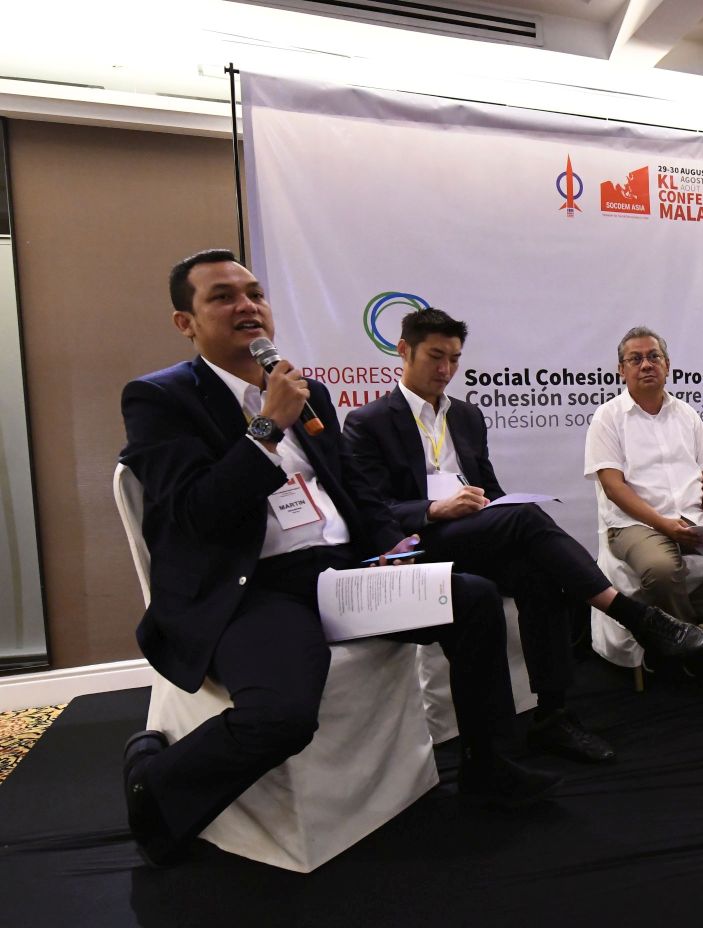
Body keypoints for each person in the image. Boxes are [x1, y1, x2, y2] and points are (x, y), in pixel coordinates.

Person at [119, 250, 557, 866]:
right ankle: (153, 786)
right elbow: (196, 513)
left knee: (473, 598)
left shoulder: (309, 392)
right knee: (282, 717)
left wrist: (397, 548)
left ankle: (490, 770)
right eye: (222, 297)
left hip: (340, 575)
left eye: (254, 293)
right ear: (184, 323)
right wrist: (267, 426)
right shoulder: (161, 398)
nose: (247, 306)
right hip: (256, 587)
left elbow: (355, 490)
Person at [343, 309, 703, 762]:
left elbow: (490, 489)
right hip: (419, 543)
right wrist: (435, 509)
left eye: (454, 359)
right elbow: (372, 511)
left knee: (541, 573)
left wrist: (492, 504)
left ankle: (553, 715)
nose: (446, 369)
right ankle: (635, 616)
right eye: (436, 357)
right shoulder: (368, 422)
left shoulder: (467, 417)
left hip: (474, 534)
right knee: (526, 520)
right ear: (403, 351)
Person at [585, 326, 703, 672]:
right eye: (635, 359)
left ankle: (676, 630)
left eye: (653, 356)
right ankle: (689, 646)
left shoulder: (687, 415)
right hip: (637, 524)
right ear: (621, 370)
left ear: (667, 365)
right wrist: (663, 526)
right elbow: (614, 488)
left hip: (695, 517)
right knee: (661, 570)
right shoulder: (607, 418)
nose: (646, 365)